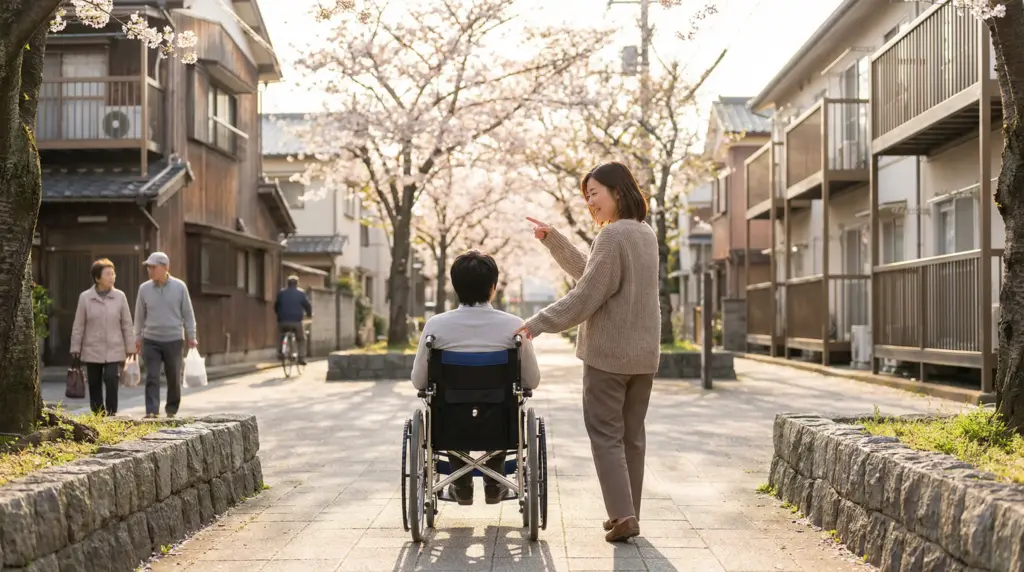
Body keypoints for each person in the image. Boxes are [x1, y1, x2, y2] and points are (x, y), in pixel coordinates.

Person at [516, 161, 660, 543]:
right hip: (643, 356)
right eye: (587, 196)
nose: (590, 202)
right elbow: (595, 274)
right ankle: (629, 514)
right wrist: (553, 239)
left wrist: (537, 323)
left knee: (605, 435)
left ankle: (623, 514)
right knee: (632, 437)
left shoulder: (613, 237)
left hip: (608, 355)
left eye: (594, 193)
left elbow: (587, 294)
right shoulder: (645, 234)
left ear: (618, 191)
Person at [411, 250, 541, 506]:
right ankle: (495, 483)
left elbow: (419, 381)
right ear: (493, 287)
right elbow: (531, 380)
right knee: (506, 405)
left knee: (448, 407)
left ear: (455, 287)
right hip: (500, 425)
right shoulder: (514, 326)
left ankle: (461, 484)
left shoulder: (435, 327)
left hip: (449, 424)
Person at [135, 252, 197, 419]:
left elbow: (188, 314)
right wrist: (137, 337)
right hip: (151, 339)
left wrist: (192, 336)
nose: (150, 270)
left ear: (165, 267)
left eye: (154, 267)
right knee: (152, 375)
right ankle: (152, 411)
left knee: (173, 376)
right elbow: (139, 316)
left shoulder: (179, 287)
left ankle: (171, 409)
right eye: (149, 267)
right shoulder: (144, 289)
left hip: (174, 339)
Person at [69, 258, 135, 416]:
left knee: (112, 378)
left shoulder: (120, 296)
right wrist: (75, 347)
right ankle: (98, 413)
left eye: (113, 274)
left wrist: (130, 347)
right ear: (97, 278)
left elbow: (127, 323)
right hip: (92, 347)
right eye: (108, 274)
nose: (112, 277)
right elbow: (79, 325)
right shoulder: (85, 297)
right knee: (94, 382)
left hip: (114, 347)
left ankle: (112, 412)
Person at [274, 275, 312, 365]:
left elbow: (276, 306)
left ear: (287, 283)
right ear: (297, 284)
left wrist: (279, 315)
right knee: (301, 339)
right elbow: (307, 305)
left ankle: (280, 352)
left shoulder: (281, 293)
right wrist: (309, 314)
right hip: (296, 321)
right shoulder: (301, 293)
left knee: (281, 335)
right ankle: (301, 358)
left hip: (283, 321)